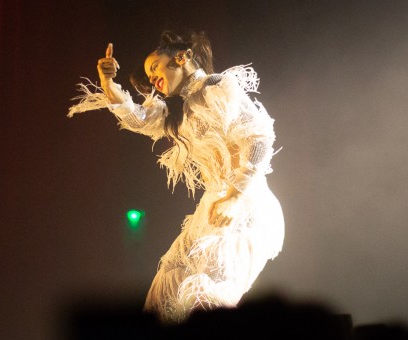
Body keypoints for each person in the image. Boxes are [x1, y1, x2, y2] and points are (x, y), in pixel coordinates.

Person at [68, 31, 285, 323]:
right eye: (150, 75)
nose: (153, 79)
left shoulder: (216, 87)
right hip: (212, 208)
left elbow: (258, 138)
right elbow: (137, 118)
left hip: (244, 204)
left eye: (155, 68)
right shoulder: (178, 112)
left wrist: (235, 196)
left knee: (205, 299)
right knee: (167, 299)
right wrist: (108, 84)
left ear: (182, 57)